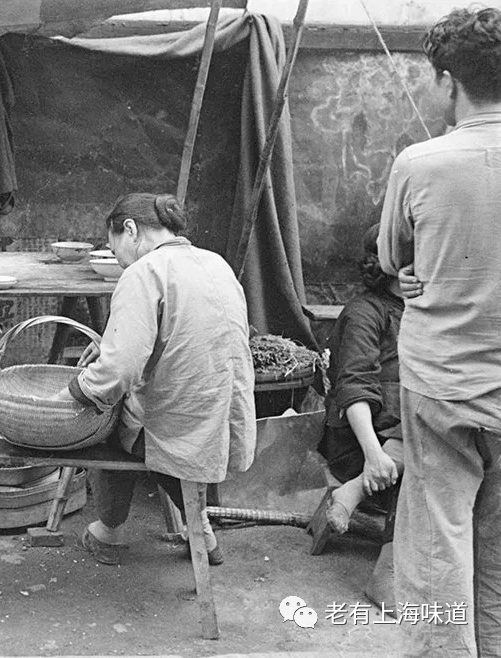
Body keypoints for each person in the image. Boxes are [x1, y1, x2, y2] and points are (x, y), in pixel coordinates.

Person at [377, 8, 501, 656]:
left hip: (443, 385)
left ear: (448, 80)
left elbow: (388, 259)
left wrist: (422, 274)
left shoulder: (420, 164)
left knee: (437, 547)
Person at [57, 193, 256, 566]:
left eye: (115, 248)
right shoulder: (216, 264)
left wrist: (77, 390)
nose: (118, 259)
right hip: (222, 422)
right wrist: (110, 344)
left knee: (103, 420)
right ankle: (200, 529)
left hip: (177, 430)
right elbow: (184, 339)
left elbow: (118, 373)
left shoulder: (144, 273)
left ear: (129, 230)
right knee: (145, 409)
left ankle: (109, 531)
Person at [317, 223, 404, 532]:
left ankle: (354, 490)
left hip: (402, 435)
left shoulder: (423, 310)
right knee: (425, 409)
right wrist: (374, 455)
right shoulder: (364, 312)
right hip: (358, 444)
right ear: (395, 261)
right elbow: (355, 386)